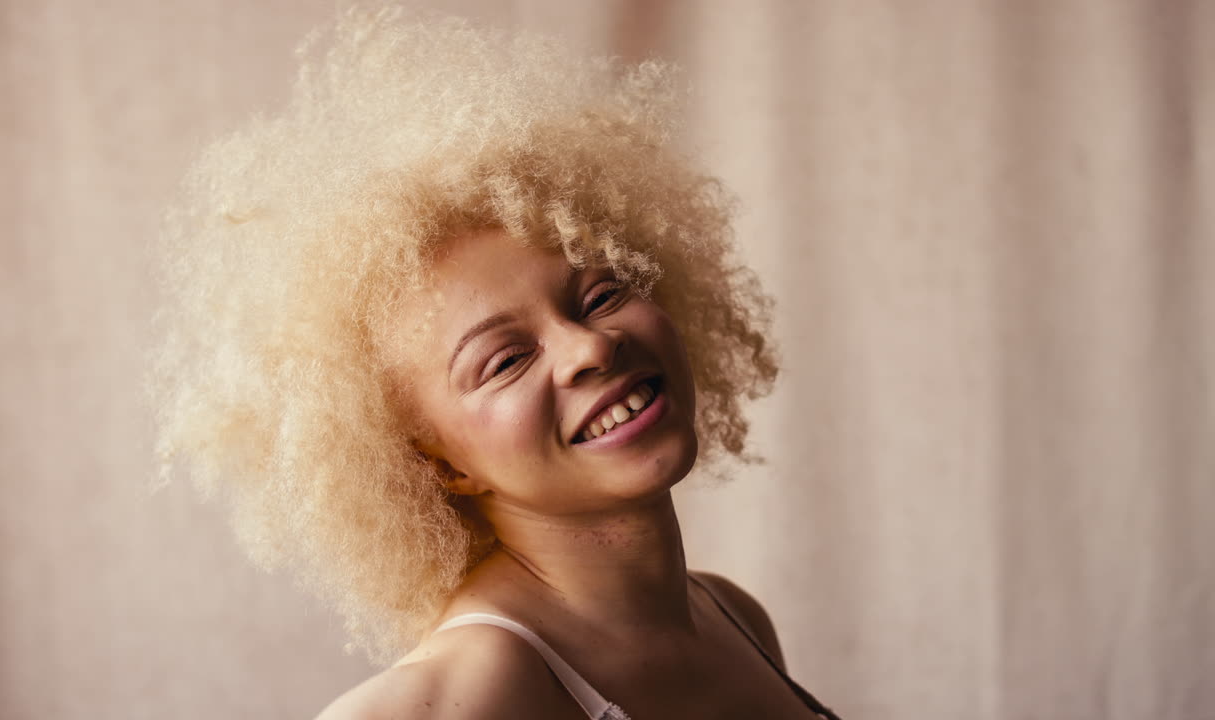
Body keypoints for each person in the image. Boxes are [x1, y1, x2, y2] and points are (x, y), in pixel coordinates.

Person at [149, 5, 842, 719]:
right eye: (505, 359)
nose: (590, 347)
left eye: (601, 293)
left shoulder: (733, 616)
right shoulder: (446, 702)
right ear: (436, 463)